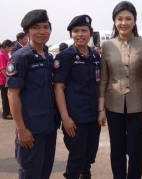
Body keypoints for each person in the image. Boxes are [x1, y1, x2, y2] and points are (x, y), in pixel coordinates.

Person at [98, 1, 142, 179]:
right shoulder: (107, 46)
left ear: (135, 21)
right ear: (114, 21)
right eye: (119, 18)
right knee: (117, 150)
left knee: (135, 151)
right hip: (113, 106)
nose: (124, 22)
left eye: (128, 18)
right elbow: (104, 79)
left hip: (138, 106)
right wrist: (101, 109)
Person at [6, 9, 58, 179]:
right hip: (30, 130)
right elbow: (12, 95)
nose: (42, 32)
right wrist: (21, 129)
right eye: (36, 27)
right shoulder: (20, 58)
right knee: (30, 173)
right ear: (27, 32)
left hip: (49, 127)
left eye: (46, 27)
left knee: (44, 172)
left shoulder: (48, 57)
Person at [53, 14, 101, 179]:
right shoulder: (65, 57)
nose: (80, 34)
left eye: (84, 30)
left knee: (89, 155)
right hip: (75, 117)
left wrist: (101, 112)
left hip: (93, 115)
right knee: (76, 156)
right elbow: (58, 88)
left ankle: (86, 175)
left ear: (90, 33)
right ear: (71, 34)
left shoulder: (95, 56)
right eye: (76, 31)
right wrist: (65, 118)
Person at [0, 39, 13, 119]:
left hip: (5, 79)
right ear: (6, 47)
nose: (11, 50)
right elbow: (2, 69)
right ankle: (5, 114)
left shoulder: (5, 53)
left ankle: (9, 112)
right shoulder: (1, 55)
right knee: (5, 97)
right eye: (10, 48)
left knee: (7, 96)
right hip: (2, 80)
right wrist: (8, 78)